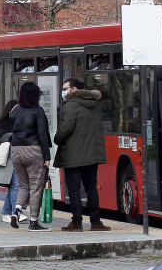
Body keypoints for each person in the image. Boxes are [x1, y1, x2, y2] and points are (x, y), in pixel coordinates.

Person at [54, 77, 110, 232]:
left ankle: (76, 223)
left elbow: (65, 129)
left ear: (74, 89)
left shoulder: (70, 106)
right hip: (92, 154)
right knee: (91, 188)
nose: (63, 92)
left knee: (74, 189)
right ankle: (96, 222)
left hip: (74, 155)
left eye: (65, 89)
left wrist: (57, 139)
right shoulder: (95, 104)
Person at [9, 81, 52, 232]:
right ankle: (34, 222)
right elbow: (42, 134)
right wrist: (47, 157)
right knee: (35, 187)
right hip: (33, 151)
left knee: (23, 185)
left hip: (15, 151)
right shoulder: (37, 111)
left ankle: (16, 211)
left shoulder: (15, 111)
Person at [0, 99, 27, 224]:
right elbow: (2, 137)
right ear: (10, 109)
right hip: (8, 159)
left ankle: (6, 212)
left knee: (14, 185)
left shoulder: (22, 121)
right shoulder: (2, 123)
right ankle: (16, 212)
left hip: (19, 156)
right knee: (16, 185)